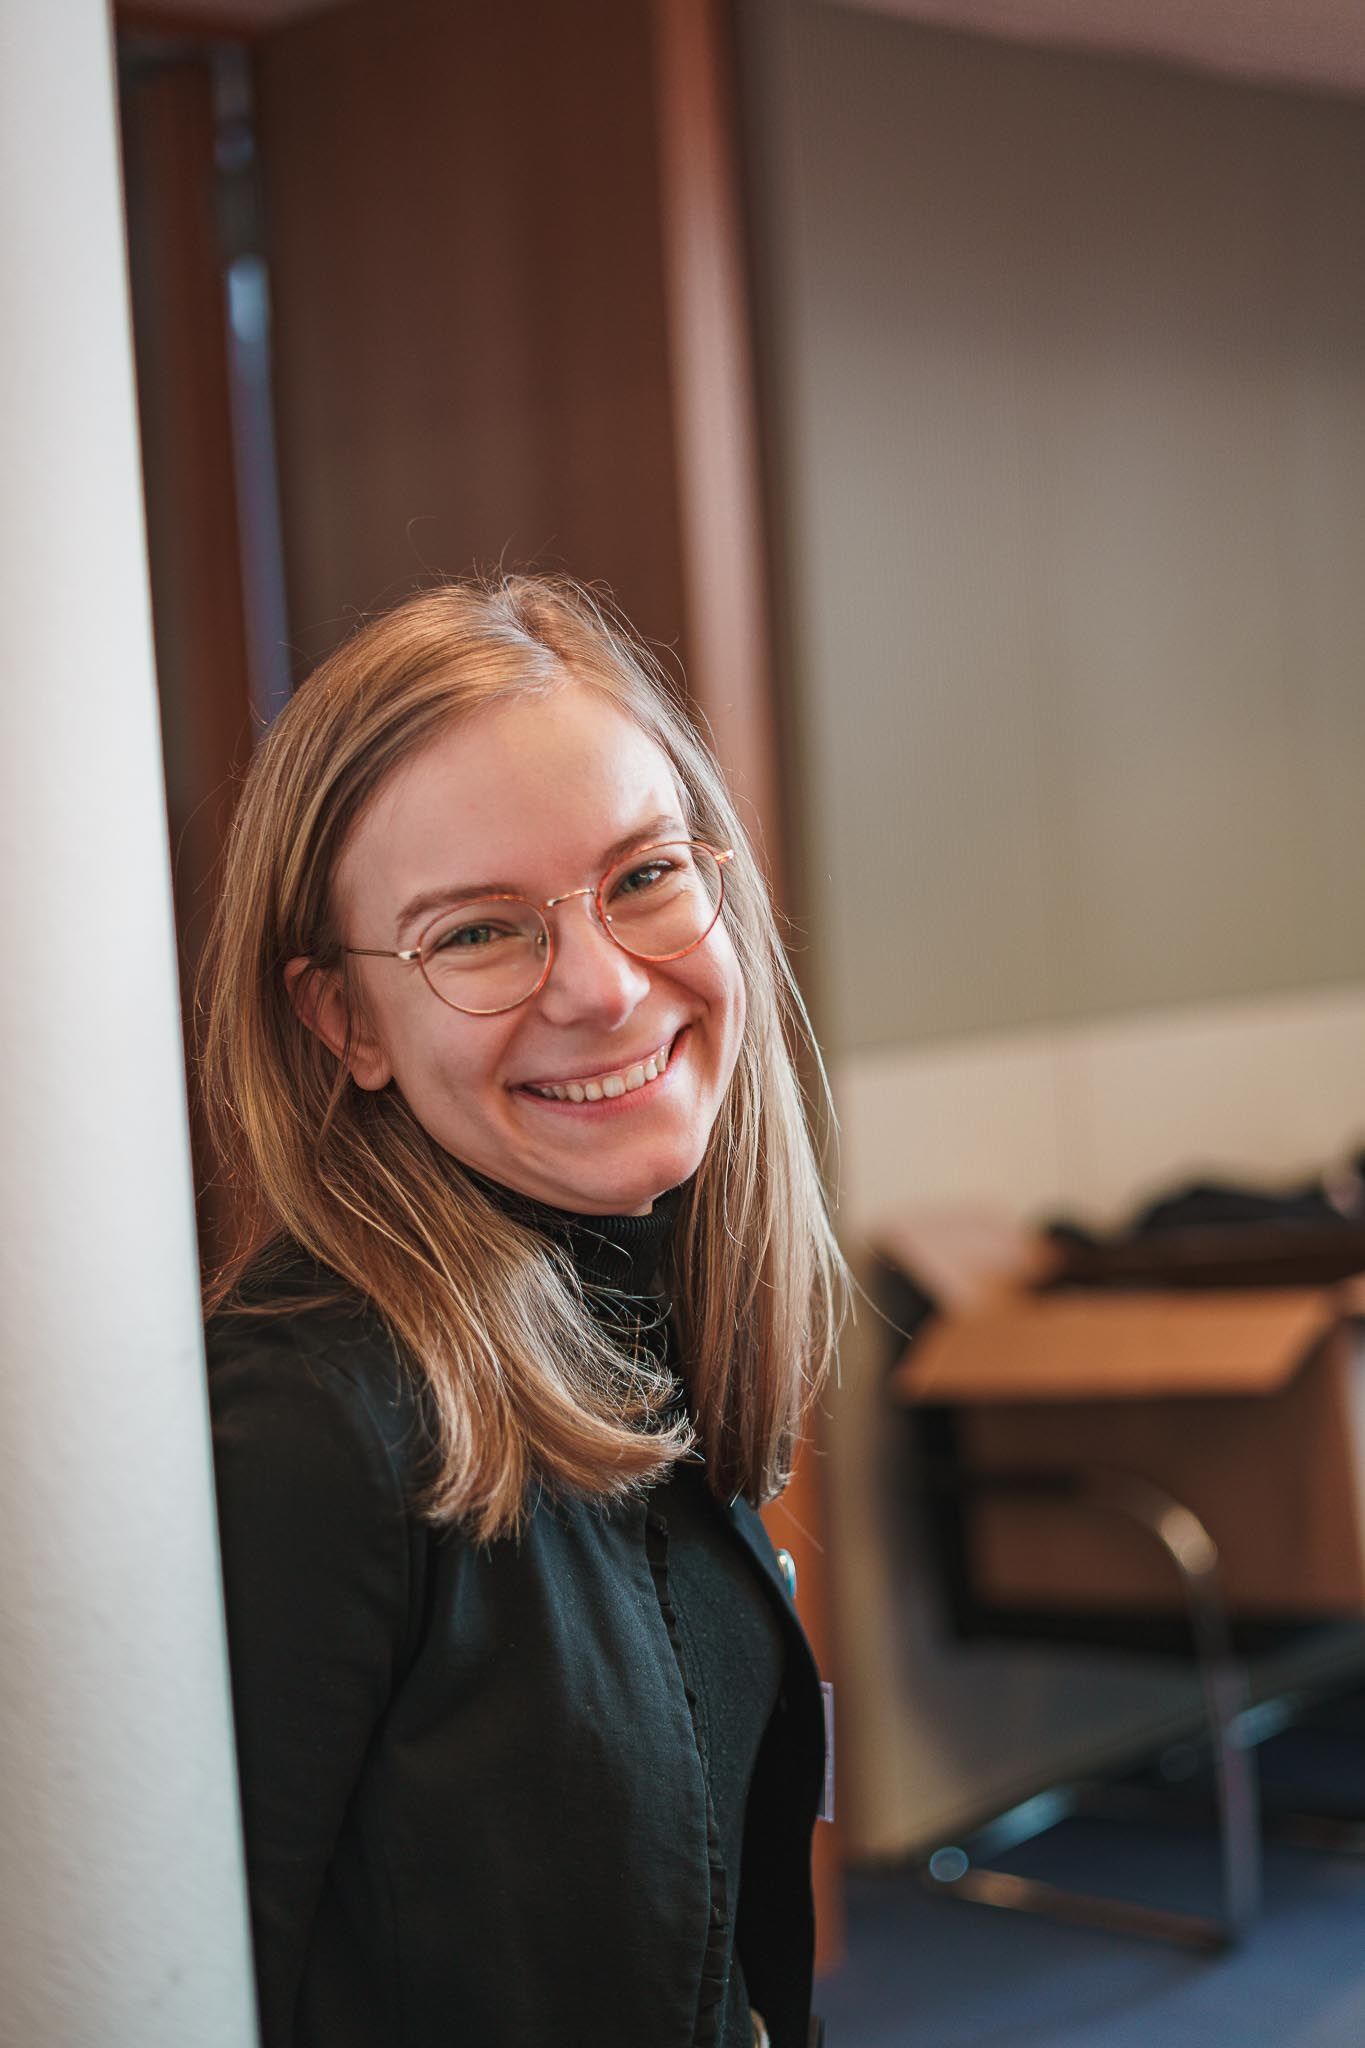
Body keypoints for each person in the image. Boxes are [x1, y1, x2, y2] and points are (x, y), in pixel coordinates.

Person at [200, 575, 845, 2048]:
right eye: (479, 935)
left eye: (641, 877)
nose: (608, 989)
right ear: (345, 1022)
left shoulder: (633, 1307)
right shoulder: (310, 1423)